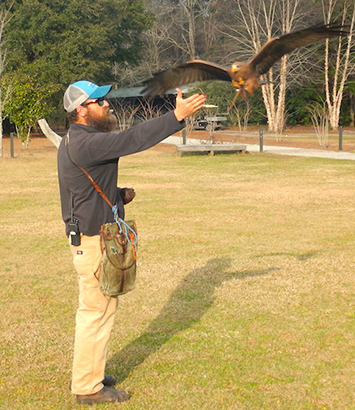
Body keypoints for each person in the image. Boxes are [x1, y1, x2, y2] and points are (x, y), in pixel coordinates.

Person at [57, 80, 206, 405]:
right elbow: (132, 139)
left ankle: (92, 372)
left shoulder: (78, 140)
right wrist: (176, 117)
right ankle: (87, 386)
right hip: (95, 242)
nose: (106, 104)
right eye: (99, 101)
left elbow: (81, 190)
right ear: (81, 110)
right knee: (95, 312)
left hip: (92, 237)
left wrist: (118, 196)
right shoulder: (87, 143)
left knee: (101, 310)